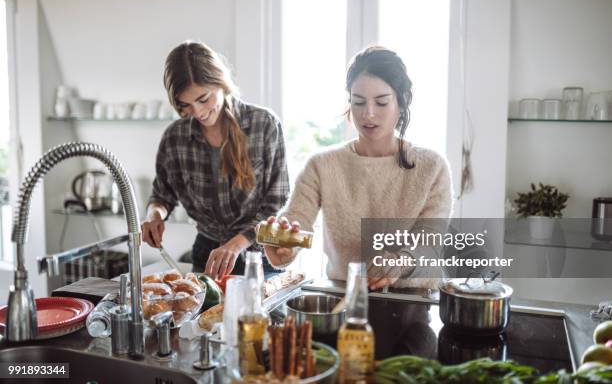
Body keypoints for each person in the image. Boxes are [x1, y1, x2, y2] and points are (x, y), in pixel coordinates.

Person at [262, 45, 453, 289]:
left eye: (382, 102)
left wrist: (402, 261)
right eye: (359, 102)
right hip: (344, 299)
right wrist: (283, 246)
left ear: (402, 103)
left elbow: (430, 242)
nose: (368, 114)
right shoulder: (322, 165)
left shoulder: (432, 166)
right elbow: (296, 219)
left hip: (415, 300)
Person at [142, 41, 289, 279]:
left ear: (221, 83)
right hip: (207, 255)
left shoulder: (264, 125)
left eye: (203, 98)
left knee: (257, 318)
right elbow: (162, 195)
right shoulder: (175, 137)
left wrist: (236, 243)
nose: (198, 112)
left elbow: (277, 204)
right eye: (185, 105)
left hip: (260, 256)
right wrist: (154, 215)